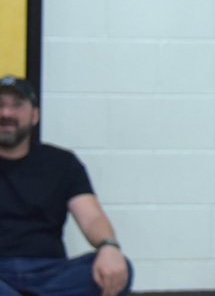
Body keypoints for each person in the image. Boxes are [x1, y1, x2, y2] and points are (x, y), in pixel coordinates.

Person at [0, 75, 133, 296]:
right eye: (0, 105)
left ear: (35, 115)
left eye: (17, 105)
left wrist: (109, 247)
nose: (6, 114)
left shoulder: (62, 163)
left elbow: (92, 217)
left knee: (120, 268)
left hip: (52, 274)